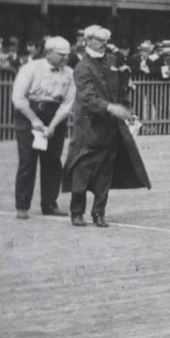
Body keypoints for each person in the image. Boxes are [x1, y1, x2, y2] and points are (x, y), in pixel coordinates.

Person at [61, 25, 150, 227]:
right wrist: (110, 107)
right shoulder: (82, 68)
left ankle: (99, 212)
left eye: (106, 40)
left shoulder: (112, 61)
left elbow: (122, 87)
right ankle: (77, 212)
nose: (104, 44)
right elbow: (87, 98)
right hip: (88, 127)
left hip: (111, 126)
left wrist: (127, 108)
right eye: (100, 40)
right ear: (88, 40)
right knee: (82, 169)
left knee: (105, 171)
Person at [10, 35, 77, 219]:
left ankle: (49, 204)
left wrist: (53, 125)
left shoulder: (70, 73)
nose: (65, 58)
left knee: (53, 162)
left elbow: (67, 103)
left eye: (67, 55)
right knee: (28, 161)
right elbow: (18, 98)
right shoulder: (30, 68)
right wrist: (34, 120)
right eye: (60, 55)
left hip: (55, 116)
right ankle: (22, 206)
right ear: (48, 53)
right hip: (28, 115)